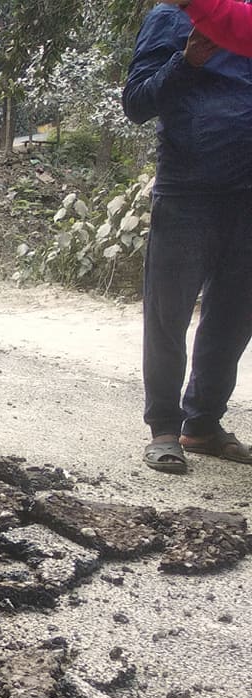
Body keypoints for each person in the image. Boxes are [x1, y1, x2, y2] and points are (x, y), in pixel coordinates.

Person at [124, 2, 252, 471]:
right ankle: (163, 428)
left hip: (249, 195)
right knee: (168, 314)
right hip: (188, 191)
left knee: (235, 318)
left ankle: (202, 425)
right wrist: (187, 60)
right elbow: (136, 102)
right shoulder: (171, 18)